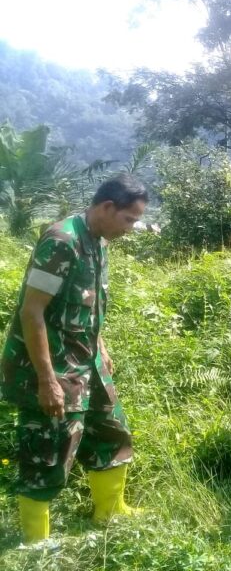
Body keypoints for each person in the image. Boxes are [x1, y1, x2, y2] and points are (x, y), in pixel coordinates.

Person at [1, 174, 148, 544]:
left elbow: (88, 305)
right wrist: (46, 380)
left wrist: (101, 347)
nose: (131, 228)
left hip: (88, 363)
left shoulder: (97, 241)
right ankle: (37, 546)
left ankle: (110, 511)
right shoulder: (61, 241)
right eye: (129, 219)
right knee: (47, 453)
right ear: (106, 207)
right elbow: (31, 313)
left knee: (111, 433)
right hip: (53, 367)